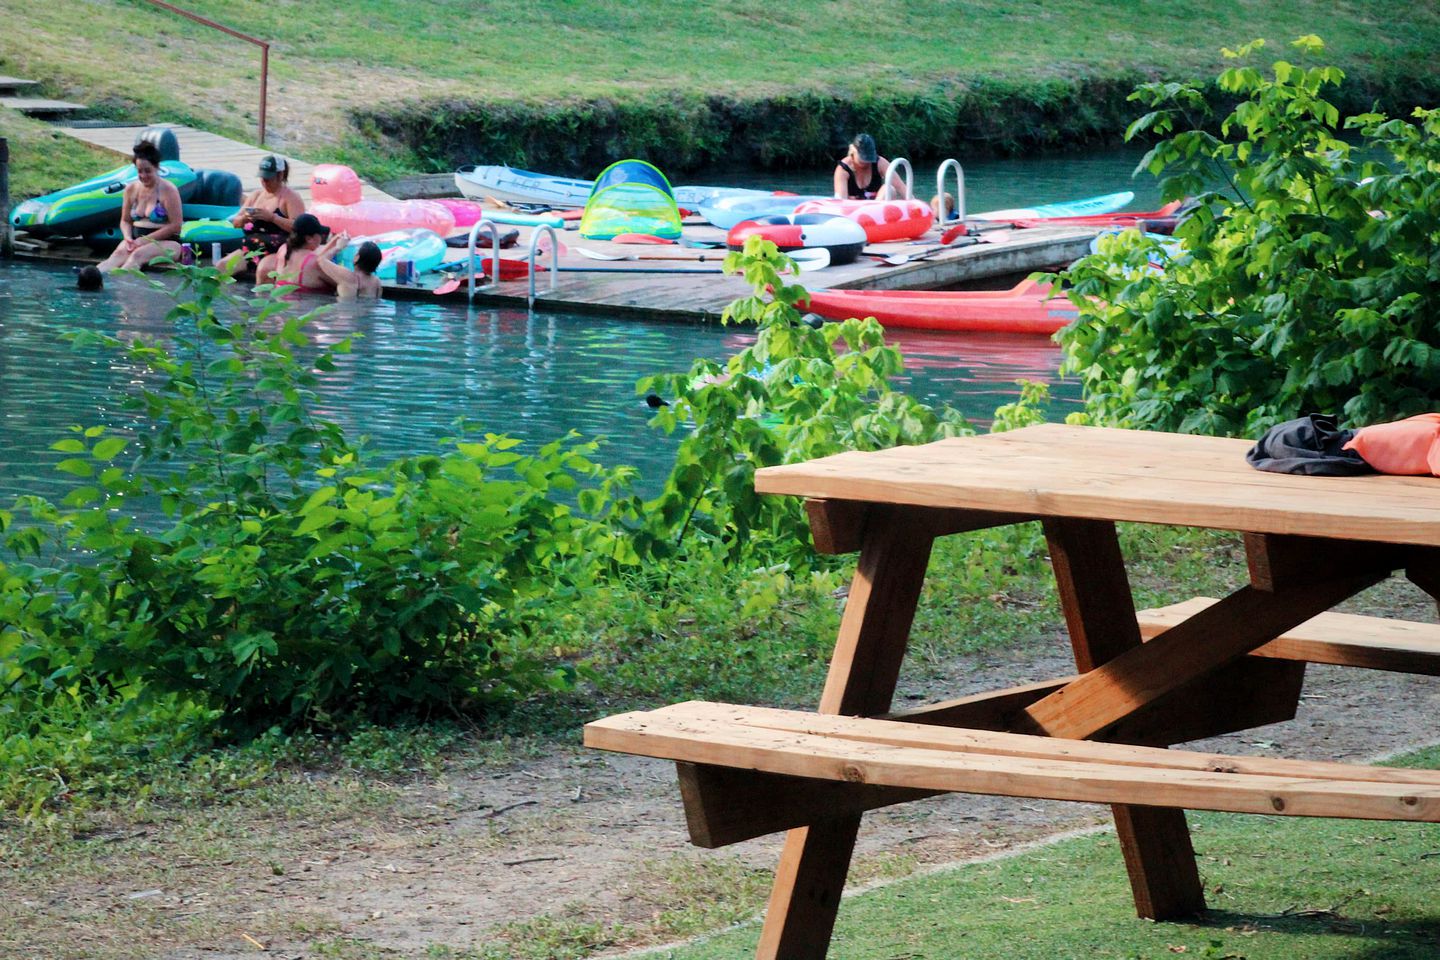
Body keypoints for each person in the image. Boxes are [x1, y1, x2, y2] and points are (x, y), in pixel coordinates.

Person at [97, 141, 185, 273]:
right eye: (140, 171)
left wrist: (145, 241)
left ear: (157, 167)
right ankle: (89, 278)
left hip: (167, 242)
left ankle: (119, 287)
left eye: (147, 171)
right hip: (136, 239)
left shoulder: (168, 190)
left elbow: (176, 225)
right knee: (116, 256)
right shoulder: (131, 189)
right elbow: (126, 220)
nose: (143, 175)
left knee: (136, 256)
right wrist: (127, 237)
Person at [222, 154, 306, 275]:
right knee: (221, 266)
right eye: (262, 177)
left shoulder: (290, 197)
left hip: (277, 251)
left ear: (280, 175)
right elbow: (235, 223)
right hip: (251, 250)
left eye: (268, 178)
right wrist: (245, 218)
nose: (264, 181)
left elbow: (299, 228)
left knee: (263, 271)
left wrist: (273, 218)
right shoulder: (256, 195)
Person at [255, 213, 337, 295]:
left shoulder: (283, 249)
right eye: (321, 235)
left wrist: (333, 244)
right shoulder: (313, 262)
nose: (321, 239)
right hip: (307, 305)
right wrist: (337, 248)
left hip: (281, 302)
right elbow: (341, 282)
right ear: (309, 239)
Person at [833, 133, 904, 201]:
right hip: (853, 210)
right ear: (853, 150)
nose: (866, 162)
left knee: (889, 189)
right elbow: (841, 202)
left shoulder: (880, 163)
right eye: (863, 158)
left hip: (876, 208)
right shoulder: (843, 169)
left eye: (869, 159)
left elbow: (902, 188)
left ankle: (875, 207)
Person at [314, 232, 384, 300]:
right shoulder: (377, 282)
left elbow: (321, 260)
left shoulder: (348, 277)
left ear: (357, 257)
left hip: (346, 310)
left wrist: (338, 247)